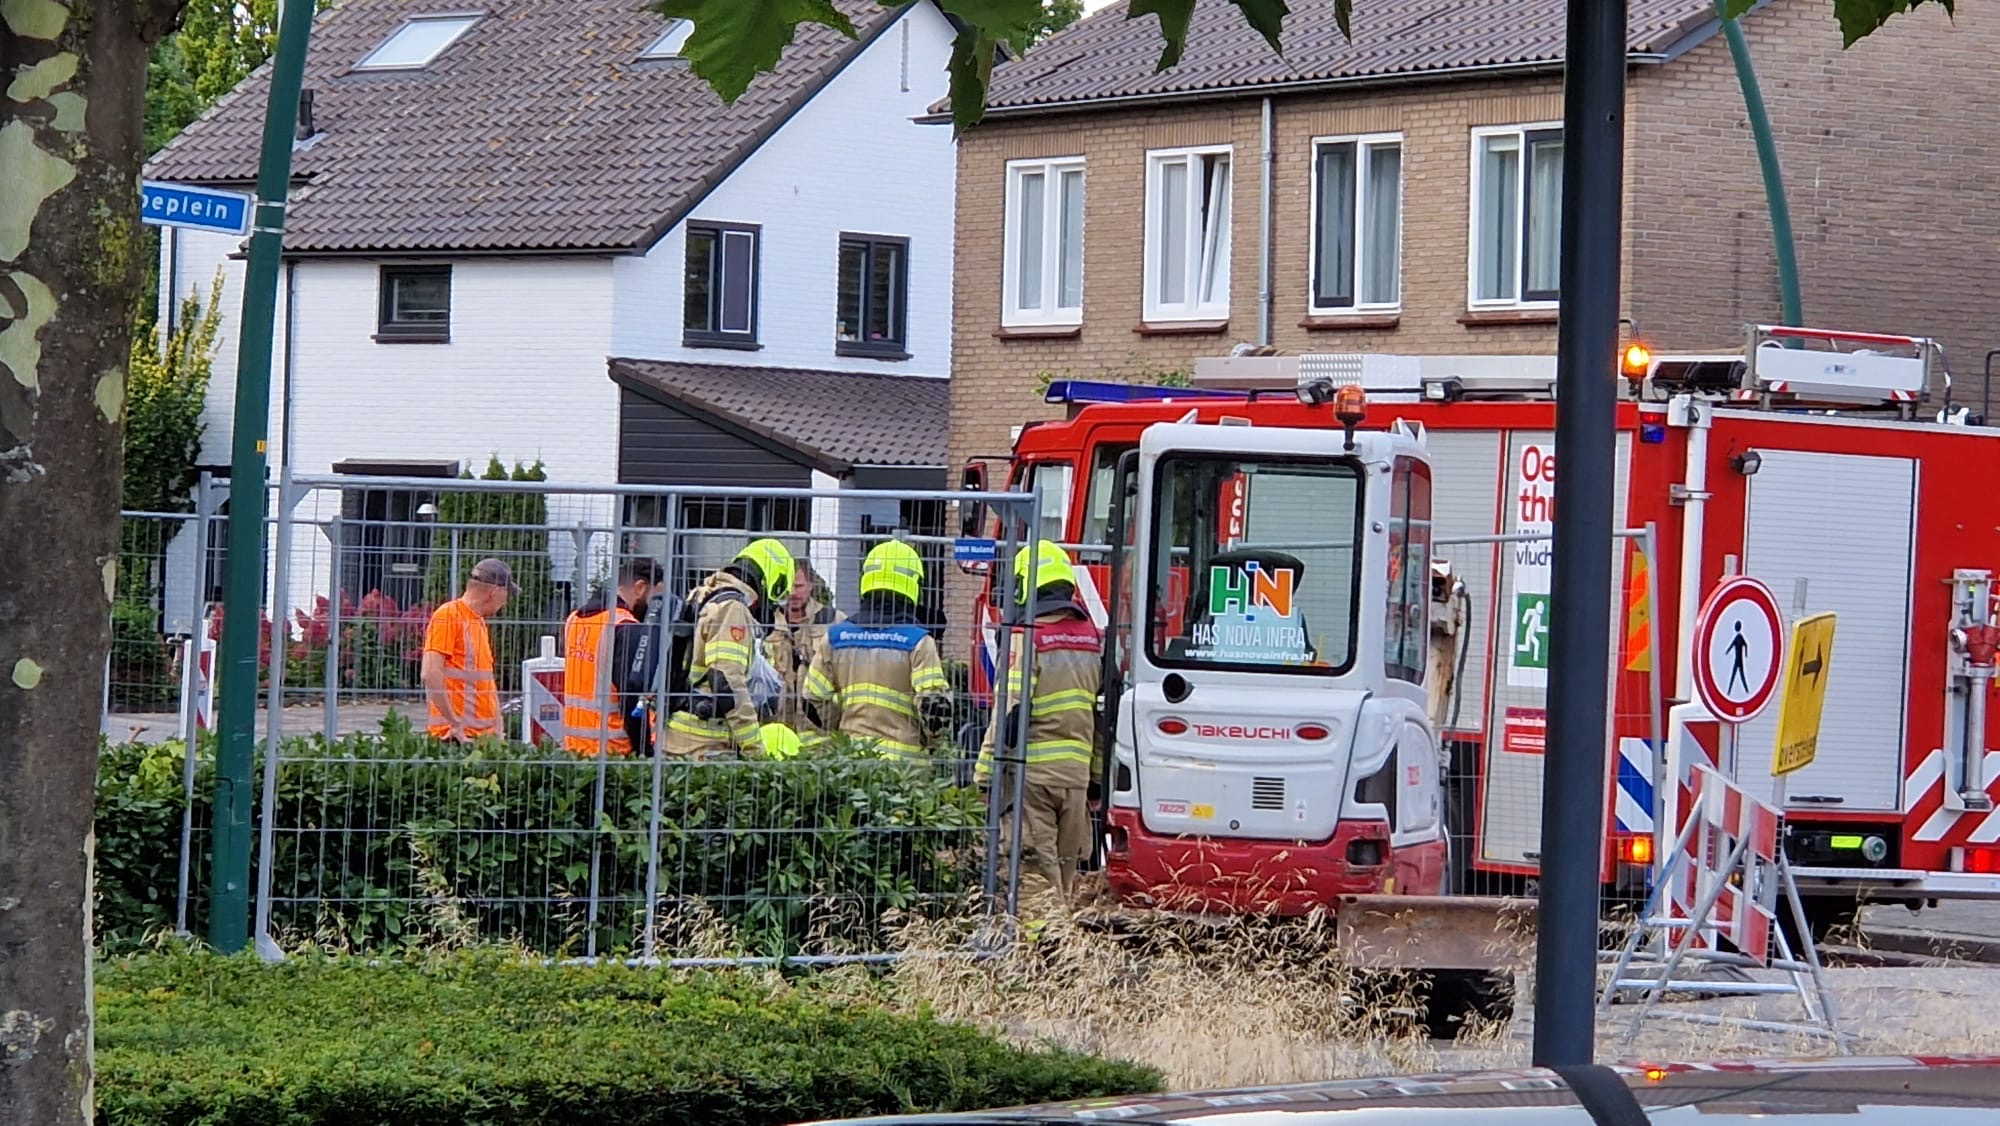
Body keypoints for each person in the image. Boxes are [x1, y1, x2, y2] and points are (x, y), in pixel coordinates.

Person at [976, 542, 1103, 926]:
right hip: (1076, 779)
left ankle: (1039, 960)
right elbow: (1100, 717)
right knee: (1064, 882)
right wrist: (1095, 777)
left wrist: (984, 773)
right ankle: (1060, 959)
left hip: (1033, 777)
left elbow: (1009, 713)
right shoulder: (1093, 639)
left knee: (1034, 880)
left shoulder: (1026, 636)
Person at [804, 540, 952, 759]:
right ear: (913, 583)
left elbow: (812, 700)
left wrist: (841, 726)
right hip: (904, 771)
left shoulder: (835, 638)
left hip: (851, 763)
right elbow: (935, 711)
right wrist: (931, 744)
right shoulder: (918, 641)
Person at [663, 538, 793, 759]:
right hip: (704, 744)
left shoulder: (703, 594)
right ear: (770, 582)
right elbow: (726, 682)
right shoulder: (732, 608)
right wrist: (754, 747)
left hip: (678, 737)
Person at [561, 558, 663, 757]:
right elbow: (632, 698)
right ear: (640, 588)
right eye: (655, 598)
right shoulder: (626, 626)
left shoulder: (575, 619)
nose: (655, 606)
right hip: (615, 751)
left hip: (575, 748)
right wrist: (645, 751)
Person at [423, 557, 517, 743]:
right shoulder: (448, 615)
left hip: (480, 738)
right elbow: (430, 673)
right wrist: (454, 723)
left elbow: (486, 681)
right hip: (456, 739)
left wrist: (498, 729)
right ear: (494, 592)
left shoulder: (477, 622)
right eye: (506, 594)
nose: (505, 602)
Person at [766, 557, 843, 745]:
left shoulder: (832, 621)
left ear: (811, 585)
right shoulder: (766, 623)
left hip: (820, 736)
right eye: (789, 586)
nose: (793, 593)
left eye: (799, 586)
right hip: (775, 732)